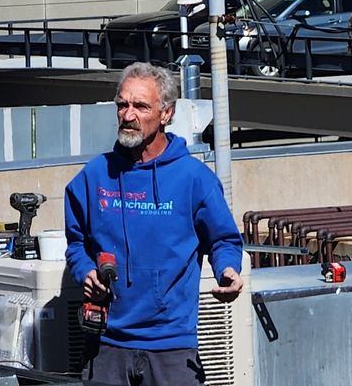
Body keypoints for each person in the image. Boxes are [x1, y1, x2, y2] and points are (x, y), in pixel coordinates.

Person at [63, 61, 244, 386]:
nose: (128, 115)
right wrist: (85, 271)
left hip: (172, 347)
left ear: (166, 114)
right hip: (106, 346)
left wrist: (227, 269)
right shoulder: (93, 176)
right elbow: (76, 245)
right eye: (122, 105)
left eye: (141, 106)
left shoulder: (193, 178)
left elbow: (223, 241)